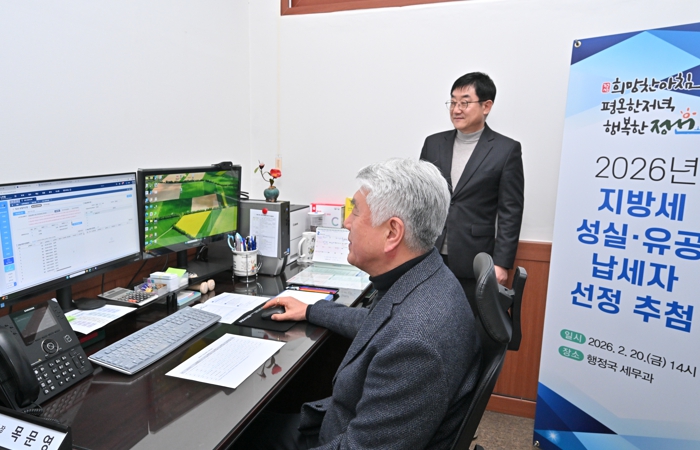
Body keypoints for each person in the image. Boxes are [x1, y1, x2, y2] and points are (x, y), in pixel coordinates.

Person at [233, 158, 481, 450]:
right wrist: (312, 310)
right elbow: (380, 325)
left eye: (356, 212)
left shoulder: (416, 344)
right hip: (343, 423)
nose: (346, 222)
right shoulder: (428, 278)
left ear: (392, 233)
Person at [420, 72, 524, 314]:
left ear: (486, 106)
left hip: (474, 258)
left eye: (465, 103)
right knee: (425, 319)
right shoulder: (433, 143)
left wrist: (502, 263)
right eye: (453, 102)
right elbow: (421, 198)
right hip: (428, 254)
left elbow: (510, 210)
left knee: (466, 323)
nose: (456, 109)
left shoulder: (506, 150)